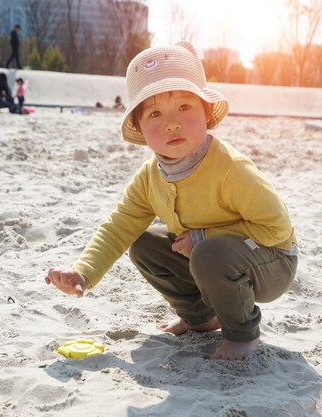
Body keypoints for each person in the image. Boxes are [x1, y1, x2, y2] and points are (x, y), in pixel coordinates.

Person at [44, 41, 298, 361]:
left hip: (272, 259)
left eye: (184, 107)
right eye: (154, 113)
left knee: (208, 252)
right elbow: (119, 226)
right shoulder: (150, 177)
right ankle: (201, 318)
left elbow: (277, 228)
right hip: (212, 257)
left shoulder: (230, 169)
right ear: (138, 126)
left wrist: (204, 237)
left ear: (206, 111)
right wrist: (83, 273)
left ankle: (242, 333)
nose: (171, 123)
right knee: (143, 244)